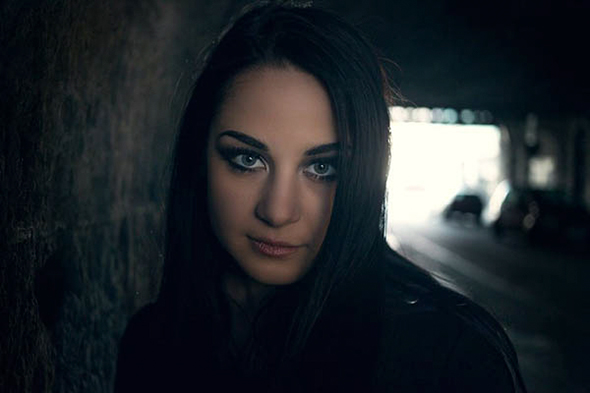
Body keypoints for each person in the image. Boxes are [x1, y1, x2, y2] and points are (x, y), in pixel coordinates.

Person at [115, 2, 527, 392]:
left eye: (322, 168)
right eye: (247, 159)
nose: (278, 211)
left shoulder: (450, 359)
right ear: (198, 158)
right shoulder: (151, 344)